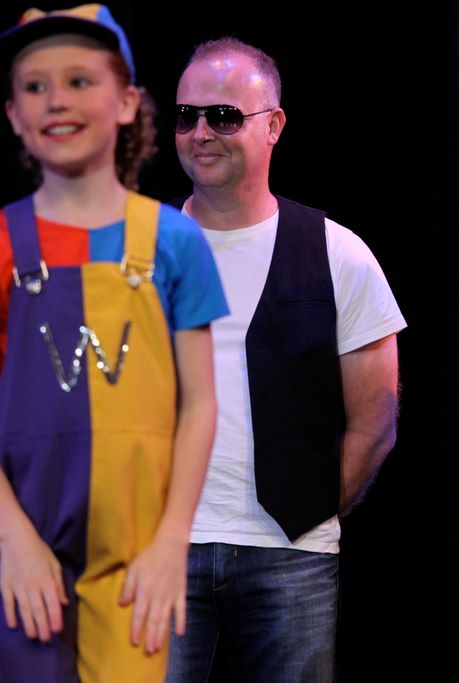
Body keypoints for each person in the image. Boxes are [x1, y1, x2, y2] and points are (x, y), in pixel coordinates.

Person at [164, 37, 406, 682]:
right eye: (187, 116)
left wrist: (315, 512)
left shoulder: (337, 252)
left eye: (223, 116)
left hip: (290, 554)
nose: (200, 133)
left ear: (273, 126)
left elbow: (376, 419)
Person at [0, 5, 227, 682]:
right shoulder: (4, 242)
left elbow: (200, 404)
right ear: (13, 113)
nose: (56, 100)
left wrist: (170, 543)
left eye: (79, 80)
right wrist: (11, 537)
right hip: (23, 557)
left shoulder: (174, 241)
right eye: (35, 86)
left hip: (135, 566)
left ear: (127, 102)